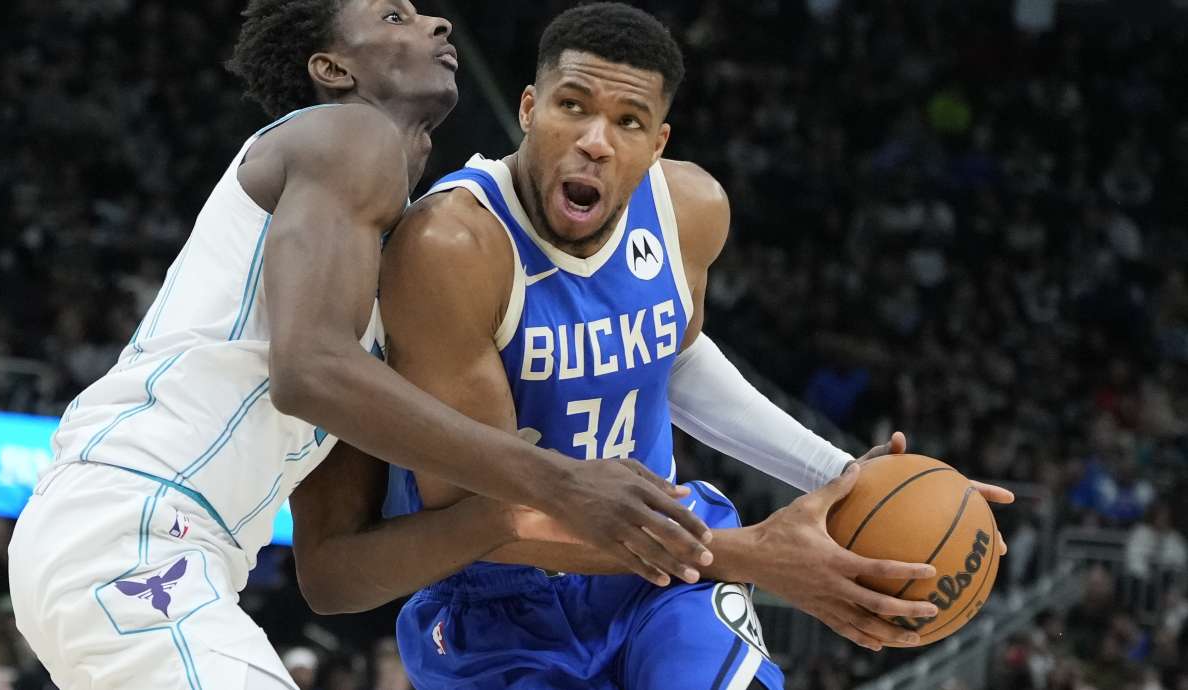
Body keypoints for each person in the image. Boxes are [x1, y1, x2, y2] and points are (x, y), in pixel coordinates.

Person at [291, 4, 1013, 688]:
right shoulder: (450, 247)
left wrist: (846, 474)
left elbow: (676, 356)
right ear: (528, 109)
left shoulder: (690, 208)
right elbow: (487, 518)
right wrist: (752, 556)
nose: (596, 141)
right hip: (501, 600)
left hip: (665, 568)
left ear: (658, 142)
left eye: (628, 120)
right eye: (573, 106)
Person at [5, 2, 712, 689]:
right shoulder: (347, 134)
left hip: (183, 552)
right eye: (393, 17)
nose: (436, 22)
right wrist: (559, 482)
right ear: (333, 68)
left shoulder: (368, 266)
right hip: (132, 527)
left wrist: (501, 515)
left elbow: (333, 577)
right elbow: (307, 372)